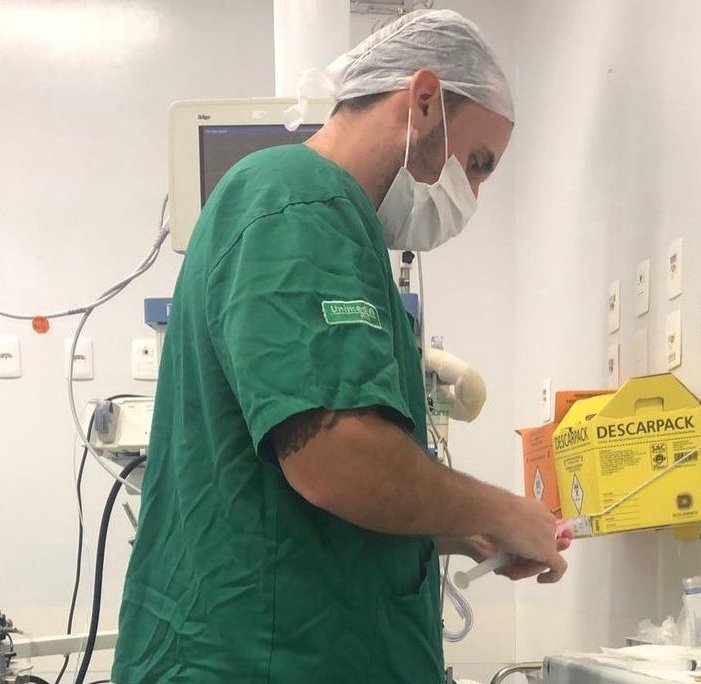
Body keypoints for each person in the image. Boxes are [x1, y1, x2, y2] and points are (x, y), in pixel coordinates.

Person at [112, 9, 570, 684]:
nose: (470, 192)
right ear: (421, 101)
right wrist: (503, 509)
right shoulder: (297, 202)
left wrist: (462, 531)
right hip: (264, 661)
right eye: (474, 164)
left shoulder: (326, 220)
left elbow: (295, 505)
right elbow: (336, 461)